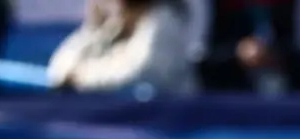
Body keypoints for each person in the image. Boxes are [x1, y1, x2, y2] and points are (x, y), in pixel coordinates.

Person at [45, 0, 199, 90]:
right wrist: (91, 29)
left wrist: (80, 78)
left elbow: (141, 74)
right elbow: (59, 68)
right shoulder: (112, 26)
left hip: (169, 130)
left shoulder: (165, 24)